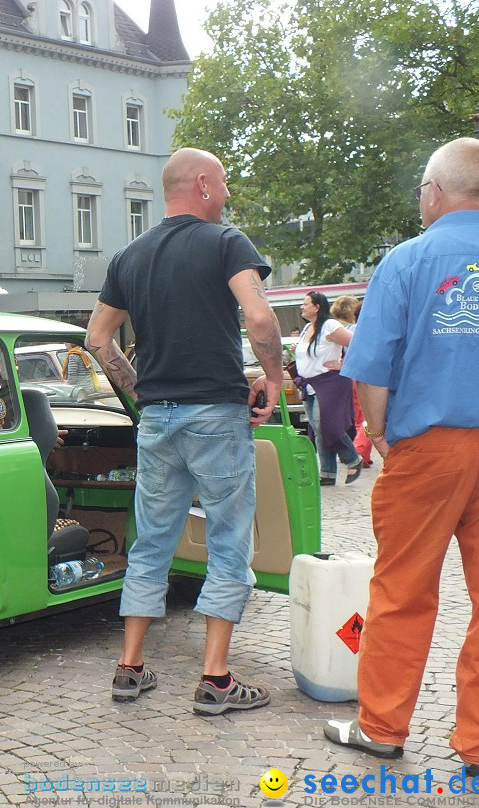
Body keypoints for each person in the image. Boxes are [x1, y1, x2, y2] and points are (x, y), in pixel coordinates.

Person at [85, 147, 283, 716]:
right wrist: (272, 377)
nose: (226, 195)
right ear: (202, 185)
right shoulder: (227, 243)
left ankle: (130, 667)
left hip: (158, 417)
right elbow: (262, 317)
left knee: (151, 542)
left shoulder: (129, 256)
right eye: (222, 184)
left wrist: (140, 390)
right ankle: (214, 678)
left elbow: (98, 338)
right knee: (227, 539)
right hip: (216, 417)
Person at [323, 137, 479, 779]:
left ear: (434, 193)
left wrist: (379, 429)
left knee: (402, 591)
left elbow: (371, 365)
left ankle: (382, 728)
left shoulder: (409, 260)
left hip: (429, 450)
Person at [294, 291, 362, 485]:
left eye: (305, 303)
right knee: (318, 428)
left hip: (330, 382)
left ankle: (353, 459)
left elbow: (356, 343)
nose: (302, 307)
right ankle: (327, 472)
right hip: (309, 384)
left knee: (326, 425)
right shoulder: (308, 327)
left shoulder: (329, 326)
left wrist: (344, 363)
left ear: (317, 307)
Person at [327, 295, 371, 467]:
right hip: (364, 375)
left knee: (358, 419)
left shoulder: (342, 329)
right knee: (369, 418)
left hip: (347, 376)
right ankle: (359, 450)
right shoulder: (362, 330)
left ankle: (364, 455)